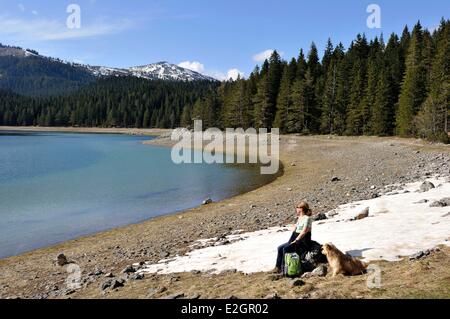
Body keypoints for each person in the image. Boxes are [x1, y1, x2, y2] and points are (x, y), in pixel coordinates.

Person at [272, 201, 313, 273]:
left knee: (286, 249)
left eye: (297, 207)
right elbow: (296, 229)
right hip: (294, 237)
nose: (296, 209)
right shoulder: (300, 218)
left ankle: (284, 269)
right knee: (280, 248)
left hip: (302, 240)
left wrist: (296, 240)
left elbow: (304, 231)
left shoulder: (307, 218)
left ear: (301, 209)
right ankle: (277, 268)